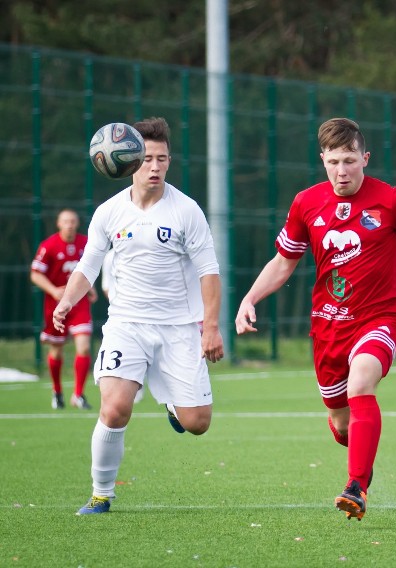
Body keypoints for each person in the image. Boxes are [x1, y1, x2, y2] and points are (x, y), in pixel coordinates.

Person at [235, 117, 396, 521]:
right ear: (322, 159)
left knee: (362, 380)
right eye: (334, 161)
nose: (342, 171)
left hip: (381, 318)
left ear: (365, 158)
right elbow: (284, 262)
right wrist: (250, 298)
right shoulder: (306, 203)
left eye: (350, 161)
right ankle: (359, 453)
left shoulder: (393, 200)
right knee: (342, 425)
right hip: (328, 326)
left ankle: (355, 486)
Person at [52, 117, 224, 515]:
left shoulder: (186, 211)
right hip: (126, 325)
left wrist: (210, 328)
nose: (155, 166)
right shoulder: (109, 213)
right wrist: (66, 301)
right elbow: (88, 265)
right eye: (147, 158)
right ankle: (101, 494)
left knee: (197, 422)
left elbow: (209, 273)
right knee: (114, 408)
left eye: (162, 158)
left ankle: (173, 405)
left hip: (179, 328)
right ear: (130, 161)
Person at [31, 208, 98, 410]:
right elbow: (35, 274)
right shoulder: (49, 245)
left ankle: (78, 394)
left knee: (84, 346)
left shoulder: (85, 243)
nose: (69, 224)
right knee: (56, 350)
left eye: (73, 221)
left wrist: (90, 288)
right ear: (59, 224)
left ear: (77, 223)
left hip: (80, 303)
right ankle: (57, 390)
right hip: (56, 305)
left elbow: (88, 269)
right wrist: (53, 290)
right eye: (66, 221)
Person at [100, 247, 144, 404]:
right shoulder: (110, 257)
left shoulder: (145, 252)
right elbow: (106, 285)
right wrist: (119, 305)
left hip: (149, 312)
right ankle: (132, 384)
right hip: (122, 315)